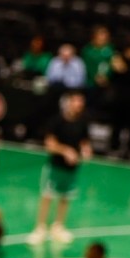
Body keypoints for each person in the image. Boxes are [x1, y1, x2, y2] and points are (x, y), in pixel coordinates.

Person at [30, 92, 90, 244]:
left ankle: (58, 226)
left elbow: (84, 141)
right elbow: (49, 144)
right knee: (47, 196)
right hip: (55, 167)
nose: (79, 105)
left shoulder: (83, 122)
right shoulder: (57, 121)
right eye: (77, 101)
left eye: (81, 102)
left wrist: (86, 150)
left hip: (72, 169)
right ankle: (40, 228)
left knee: (65, 197)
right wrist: (65, 151)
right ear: (69, 102)